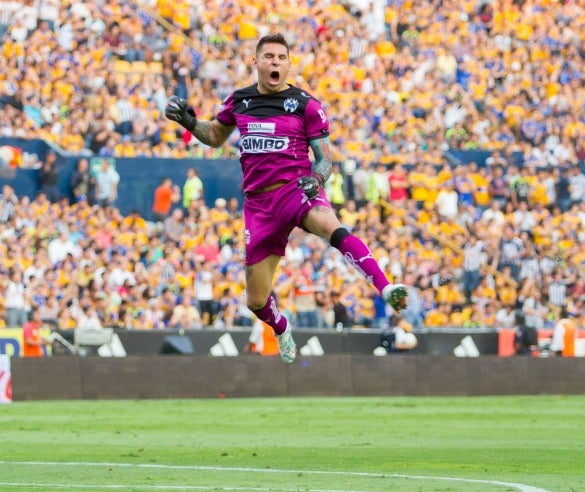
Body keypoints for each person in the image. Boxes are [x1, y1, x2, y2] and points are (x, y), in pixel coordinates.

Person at [164, 33, 408, 363]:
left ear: (289, 63)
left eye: (281, 57)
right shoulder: (239, 101)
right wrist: (190, 122)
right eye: (269, 56)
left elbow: (325, 158)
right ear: (256, 62)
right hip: (258, 206)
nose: (275, 62)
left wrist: (317, 178)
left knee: (327, 223)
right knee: (255, 300)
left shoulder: (306, 105)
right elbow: (215, 136)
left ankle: (386, 287)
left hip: (296, 188)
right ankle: (281, 326)